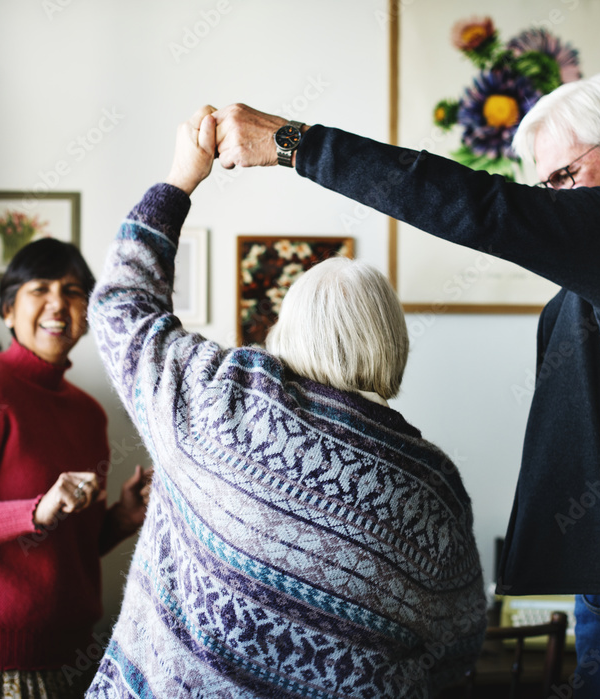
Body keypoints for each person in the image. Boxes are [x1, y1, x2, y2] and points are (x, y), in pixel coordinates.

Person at [213, 73, 600, 697]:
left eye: (565, 179)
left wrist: (295, 143)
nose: (556, 202)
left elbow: (488, 211)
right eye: (546, 188)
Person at [84, 106, 487, 699]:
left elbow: (121, 305)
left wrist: (179, 180)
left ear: (286, 331)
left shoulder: (219, 400)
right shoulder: (432, 488)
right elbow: (455, 652)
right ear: (392, 346)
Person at [0, 238, 152, 699]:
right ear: (8, 311)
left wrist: (121, 518)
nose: (59, 303)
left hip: (70, 653)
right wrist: (33, 510)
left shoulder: (88, 412)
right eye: (41, 288)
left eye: (74, 292)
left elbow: (62, 551)